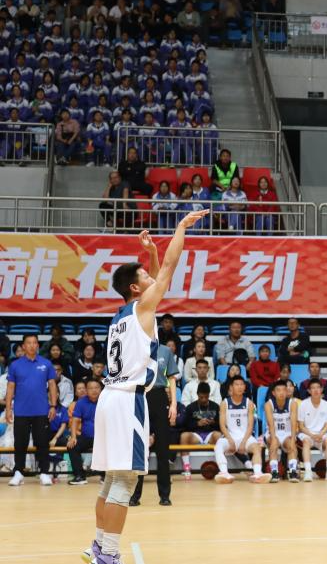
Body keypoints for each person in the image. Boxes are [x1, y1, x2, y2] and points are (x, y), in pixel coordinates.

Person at [85, 209, 207, 564]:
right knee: (125, 481)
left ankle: (98, 545)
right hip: (128, 401)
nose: (151, 279)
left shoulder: (120, 315)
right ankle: (109, 554)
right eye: (144, 276)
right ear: (136, 289)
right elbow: (168, 268)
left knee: (110, 480)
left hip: (110, 397)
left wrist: (150, 252)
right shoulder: (143, 309)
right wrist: (181, 228)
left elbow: (154, 276)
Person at [130, 333, 179, 507]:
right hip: (139, 396)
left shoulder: (165, 351)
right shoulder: (134, 349)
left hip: (159, 397)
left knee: (163, 450)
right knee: (139, 450)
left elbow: (172, 378)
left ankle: (165, 495)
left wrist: (173, 404)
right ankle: (134, 495)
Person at [4, 334, 59, 487]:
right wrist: (8, 409)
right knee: (20, 444)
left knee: (42, 443)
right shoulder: (15, 365)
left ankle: (44, 473)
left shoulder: (46, 363)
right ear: (23, 346)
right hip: (21, 411)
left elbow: (52, 385)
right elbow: (10, 387)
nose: (32, 345)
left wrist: (53, 406)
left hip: (41, 411)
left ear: (38, 345)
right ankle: (18, 472)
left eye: (35, 342)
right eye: (29, 343)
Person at [213, 375, 270, 484]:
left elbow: (250, 426)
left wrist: (243, 442)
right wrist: (230, 440)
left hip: (246, 437)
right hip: (230, 436)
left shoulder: (249, 403)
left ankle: (257, 474)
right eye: (237, 384)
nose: (239, 387)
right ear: (231, 387)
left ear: (244, 387)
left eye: (241, 384)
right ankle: (224, 473)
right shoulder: (225, 403)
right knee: (218, 446)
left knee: (256, 448)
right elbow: (222, 425)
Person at [179, 381, 222, 480]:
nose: (204, 399)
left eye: (206, 397)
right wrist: (197, 423)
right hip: (196, 434)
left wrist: (213, 423)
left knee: (218, 436)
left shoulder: (215, 406)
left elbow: (220, 425)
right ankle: (186, 468)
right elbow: (185, 425)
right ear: (197, 394)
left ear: (209, 395)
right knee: (184, 436)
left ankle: (221, 467)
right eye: (201, 397)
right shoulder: (190, 407)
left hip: (210, 434)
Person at [297, 379, 327, 482]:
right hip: (307, 433)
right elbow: (301, 426)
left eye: (318, 387)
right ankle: (308, 471)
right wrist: (312, 435)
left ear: (322, 389)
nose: (316, 390)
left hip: (321, 433)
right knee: (306, 441)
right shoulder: (303, 404)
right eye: (313, 388)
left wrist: (320, 434)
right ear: (309, 391)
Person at [262, 379, 298, 483]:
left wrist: (293, 439)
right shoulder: (268, 404)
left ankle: (292, 471)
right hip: (273, 432)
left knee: (292, 446)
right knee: (274, 445)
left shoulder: (293, 404)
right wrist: (273, 438)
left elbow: (294, 423)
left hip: (287, 433)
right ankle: (274, 472)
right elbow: (270, 424)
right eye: (278, 390)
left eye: (283, 390)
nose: (281, 393)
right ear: (273, 393)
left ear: (287, 392)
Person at [68, 378, 102, 485]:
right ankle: (80, 476)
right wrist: (73, 437)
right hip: (86, 437)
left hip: (103, 437)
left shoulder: (106, 401)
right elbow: (75, 420)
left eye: (96, 387)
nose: (94, 390)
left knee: (111, 446)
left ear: (101, 389)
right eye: (91, 388)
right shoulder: (81, 402)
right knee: (72, 446)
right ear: (86, 390)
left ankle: (106, 476)